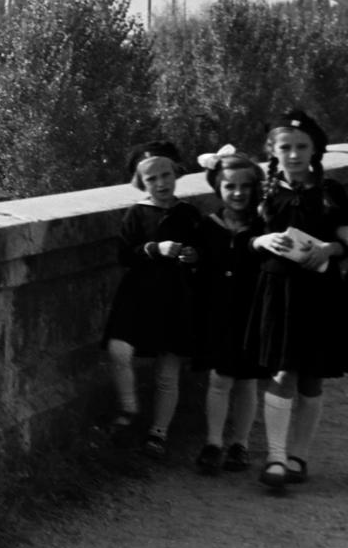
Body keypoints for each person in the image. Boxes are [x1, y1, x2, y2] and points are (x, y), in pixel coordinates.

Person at [244, 108, 348, 491]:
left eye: (301, 147)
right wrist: (262, 240)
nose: (293, 154)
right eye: (285, 147)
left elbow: (346, 240)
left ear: (314, 150)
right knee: (283, 371)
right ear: (272, 150)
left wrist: (329, 248)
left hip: (320, 292)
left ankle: (298, 456)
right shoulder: (264, 192)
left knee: (312, 376)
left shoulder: (331, 192)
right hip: (279, 292)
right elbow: (242, 237)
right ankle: (275, 457)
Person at [101, 140, 203, 458]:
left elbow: (201, 251)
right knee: (119, 348)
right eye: (152, 178)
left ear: (176, 174)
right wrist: (154, 249)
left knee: (167, 368)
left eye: (166, 175)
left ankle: (159, 431)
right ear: (141, 182)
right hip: (138, 291)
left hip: (174, 293)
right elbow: (124, 254)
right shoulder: (137, 213)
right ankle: (129, 408)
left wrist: (192, 255)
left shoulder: (189, 214)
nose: (160, 183)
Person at [190, 146, 266, 474]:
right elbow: (199, 267)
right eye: (230, 186)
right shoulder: (208, 226)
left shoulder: (263, 226)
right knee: (219, 378)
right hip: (218, 312)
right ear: (218, 188)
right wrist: (191, 259)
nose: (238, 193)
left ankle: (240, 443)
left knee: (247, 381)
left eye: (245, 186)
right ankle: (213, 442)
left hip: (252, 313)